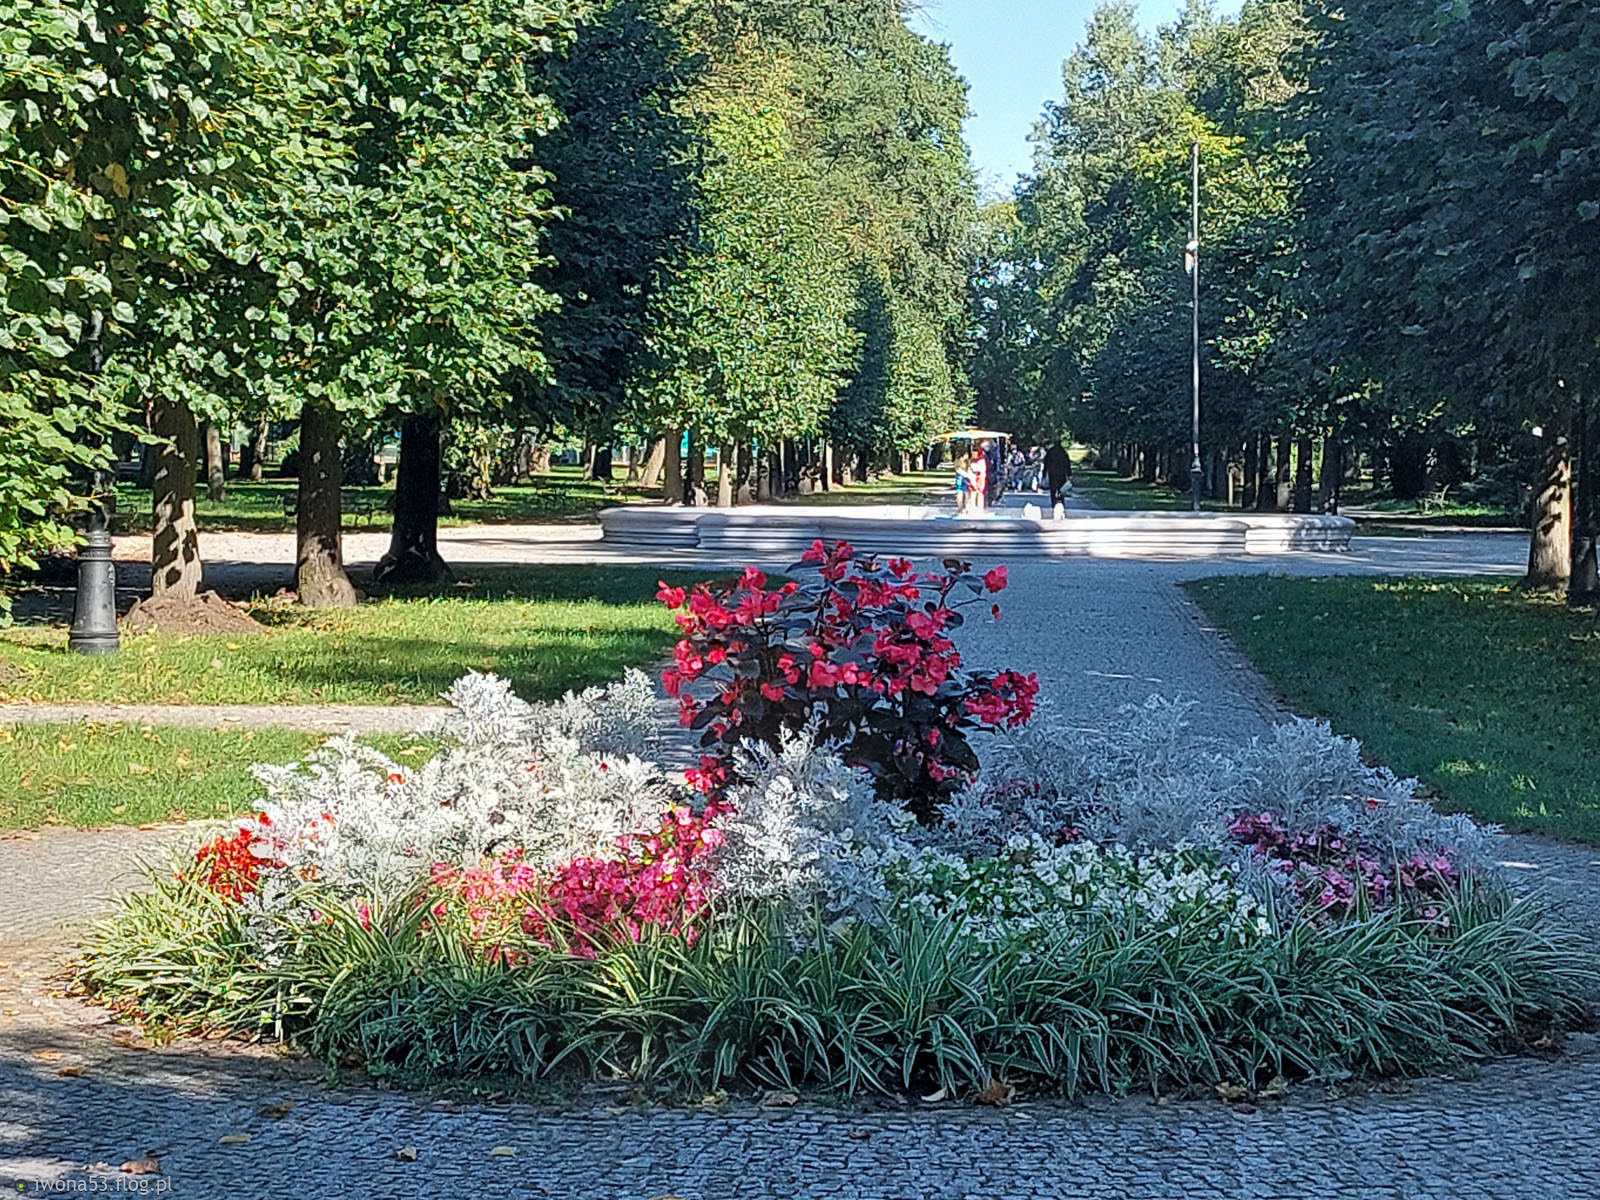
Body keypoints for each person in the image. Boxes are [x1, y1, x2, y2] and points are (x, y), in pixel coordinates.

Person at [1044, 441, 1072, 509]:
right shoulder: (1063, 452)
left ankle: (1053, 502)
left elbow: (1046, 463)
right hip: (1062, 473)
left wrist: (1044, 473)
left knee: (1053, 489)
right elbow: (1067, 464)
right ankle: (1060, 500)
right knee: (1061, 489)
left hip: (1052, 473)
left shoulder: (1050, 452)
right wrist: (1069, 473)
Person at [967, 446, 988, 514]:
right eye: (973, 453)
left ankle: (980, 507)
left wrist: (980, 475)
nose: (974, 455)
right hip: (973, 476)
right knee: (973, 491)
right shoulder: (970, 460)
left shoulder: (981, 460)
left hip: (980, 476)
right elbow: (969, 469)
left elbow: (983, 469)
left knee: (980, 492)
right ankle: (972, 507)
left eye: (975, 453)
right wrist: (971, 477)